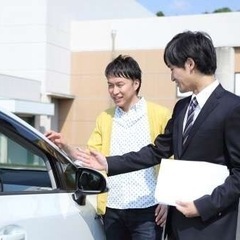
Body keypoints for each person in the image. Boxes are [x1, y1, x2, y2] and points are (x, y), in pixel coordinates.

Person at [77, 31, 240, 240]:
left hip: (211, 225)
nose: (172, 76)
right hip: (177, 225)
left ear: (190, 64)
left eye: (173, 68)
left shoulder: (232, 107)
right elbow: (157, 151)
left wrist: (203, 205)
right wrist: (109, 164)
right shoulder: (182, 107)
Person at [45, 54, 171, 240]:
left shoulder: (160, 114)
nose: (114, 91)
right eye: (110, 85)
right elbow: (91, 157)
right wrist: (65, 146)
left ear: (136, 84)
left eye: (119, 84)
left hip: (148, 210)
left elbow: (172, 160)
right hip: (112, 209)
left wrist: (167, 200)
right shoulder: (105, 117)